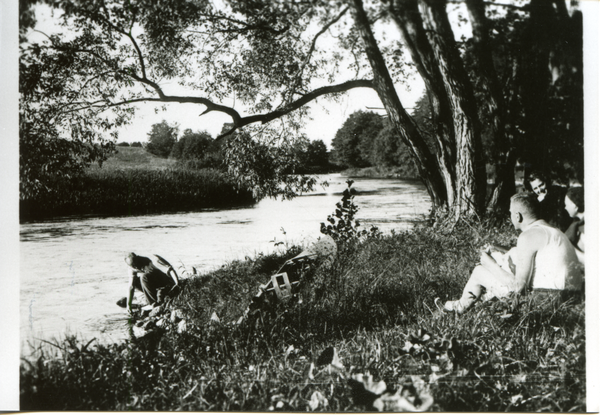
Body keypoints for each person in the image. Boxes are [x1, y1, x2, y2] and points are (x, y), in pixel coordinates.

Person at [439, 192, 582, 314]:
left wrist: (490, 264)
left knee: (479, 271)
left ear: (518, 216)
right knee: (507, 257)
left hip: (548, 303)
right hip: (572, 298)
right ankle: (481, 301)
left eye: (510, 212)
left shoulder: (528, 235)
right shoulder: (554, 232)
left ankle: (459, 307)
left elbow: (519, 287)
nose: (510, 216)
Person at [564, 187, 585, 264]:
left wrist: (570, 248)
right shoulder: (577, 223)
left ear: (575, 206)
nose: (565, 208)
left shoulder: (585, 228)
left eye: (566, 204)